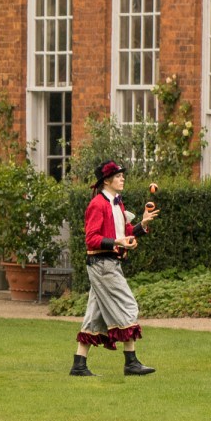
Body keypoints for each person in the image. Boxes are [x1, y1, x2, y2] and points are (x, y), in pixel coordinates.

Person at [70, 160, 160, 376]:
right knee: (128, 306)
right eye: (119, 176)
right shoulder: (97, 205)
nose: (123, 178)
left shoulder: (117, 203)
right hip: (102, 265)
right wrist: (117, 242)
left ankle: (79, 365)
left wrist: (142, 225)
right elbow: (91, 239)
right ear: (107, 180)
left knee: (95, 315)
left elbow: (125, 231)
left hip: (109, 263)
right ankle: (131, 363)